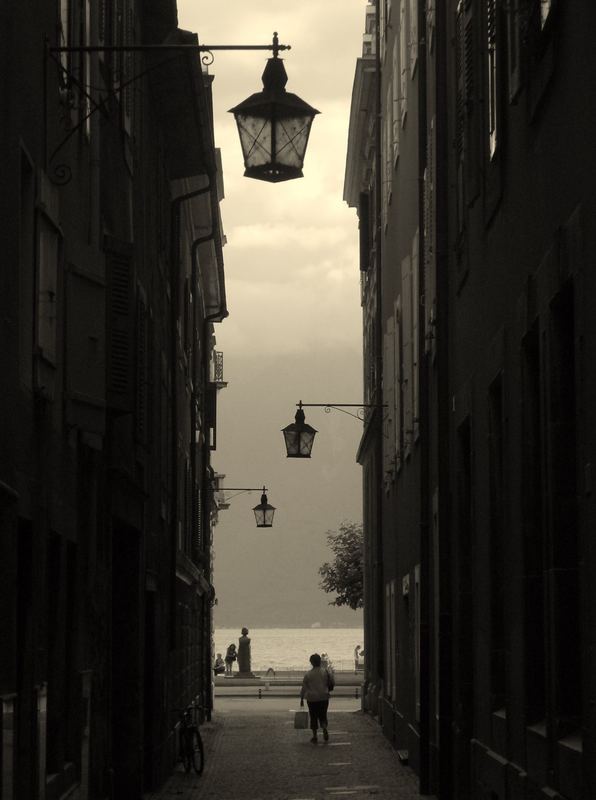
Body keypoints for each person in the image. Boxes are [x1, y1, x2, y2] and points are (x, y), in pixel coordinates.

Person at [300, 652, 335, 744]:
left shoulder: (308, 674)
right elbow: (332, 681)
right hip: (324, 696)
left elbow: (304, 687)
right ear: (320, 661)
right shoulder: (326, 672)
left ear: (311, 662)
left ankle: (315, 736)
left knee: (313, 716)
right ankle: (324, 729)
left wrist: (301, 698)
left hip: (312, 699)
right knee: (323, 715)